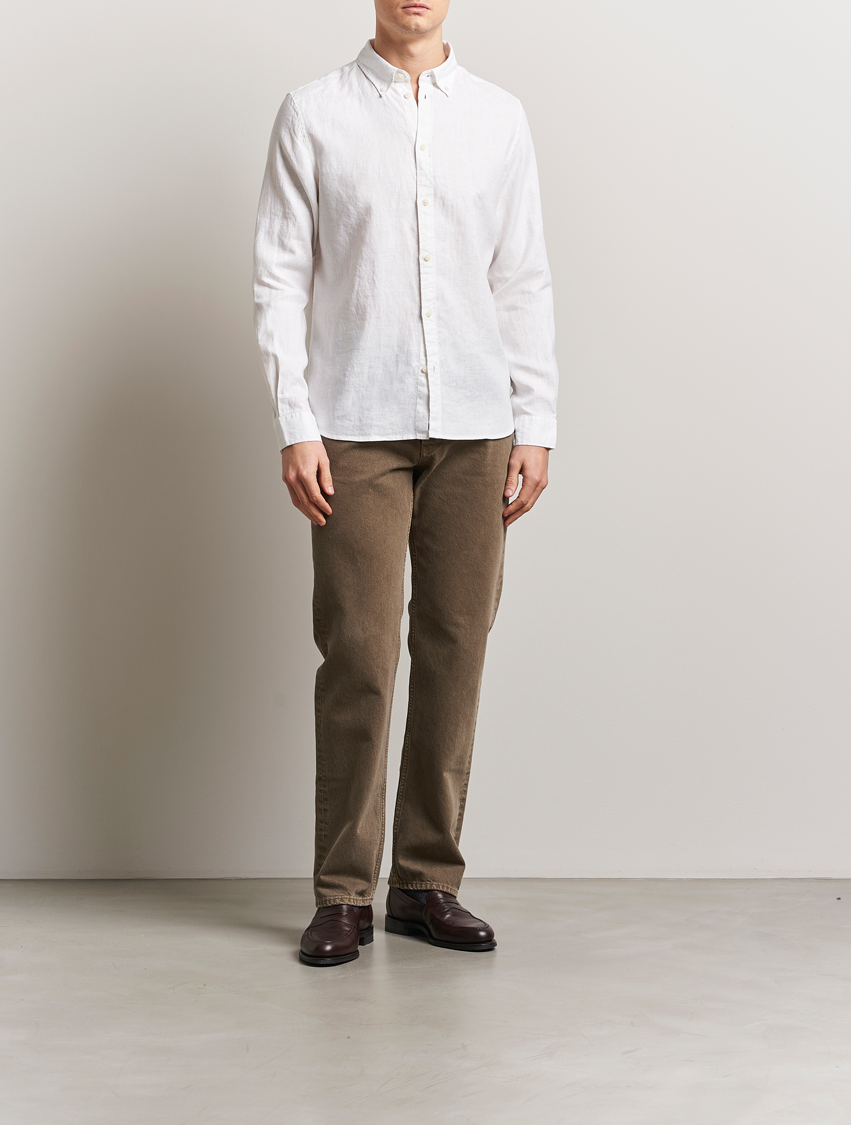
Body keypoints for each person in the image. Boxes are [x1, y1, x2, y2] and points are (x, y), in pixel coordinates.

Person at [253, 0, 559, 966]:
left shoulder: (499, 118)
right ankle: (344, 892)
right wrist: (296, 423)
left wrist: (537, 421)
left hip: (478, 423)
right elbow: (279, 277)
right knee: (360, 653)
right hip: (354, 424)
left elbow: (521, 278)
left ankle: (427, 882)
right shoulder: (314, 113)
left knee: (457, 647)